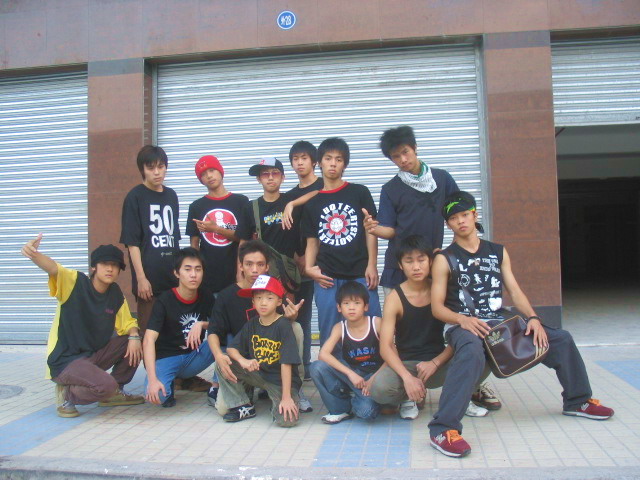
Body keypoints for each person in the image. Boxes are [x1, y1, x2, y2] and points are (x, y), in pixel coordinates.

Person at [428, 191, 615, 458]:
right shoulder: (444, 259)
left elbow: (514, 292)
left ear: (474, 215)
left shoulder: (497, 252)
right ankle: (443, 429)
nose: (461, 221)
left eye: (465, 215)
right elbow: (437, 307)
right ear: (448, 224)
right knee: (470, 352)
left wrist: (534, 319)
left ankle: (578, 401)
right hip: (463, 325)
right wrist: (462, 319)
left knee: (560, 338)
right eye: (454, 218)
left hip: (498, 320)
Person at [22, 234, 144, 418]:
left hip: (93, 356)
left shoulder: (115, 294)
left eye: (115, 265)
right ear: (94, 267)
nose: (110, 269)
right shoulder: (75, 282)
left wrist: (134, 335)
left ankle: (115, 392)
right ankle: (68, 396)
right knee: (106, 385)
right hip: (66, 360)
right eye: (105, 264)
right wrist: (34, 254)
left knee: (134, 341)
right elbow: (54, 268)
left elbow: (128, 323)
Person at [369, 235, 490, 420]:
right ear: (400, 265)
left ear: (431, 261)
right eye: (409, 261)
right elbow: (385, 346)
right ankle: (408, 397)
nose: (416, 267)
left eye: (421, 260)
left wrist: (436, 362)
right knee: (379, 389)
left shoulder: (442, 290)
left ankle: (461, 398)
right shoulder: (394, 298)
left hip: (441, 362)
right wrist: (407, 378)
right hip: (408, 364)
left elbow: (459, 332)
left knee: (486, 354)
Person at [121, 145, 210, 393]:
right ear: (142, 169)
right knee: (152, 332)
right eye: (151, 167)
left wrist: (183, 275)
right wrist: (141, 278)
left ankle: (184, 377)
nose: (157, 172)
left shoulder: (171, 196)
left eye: (161, 166)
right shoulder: (135, 197)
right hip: (149, 282)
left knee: (179, 330)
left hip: (173, 280)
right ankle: (158, 378)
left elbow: (174, 238)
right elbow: (132, 242)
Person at [235, 157, 312, 411]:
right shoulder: (252, 207)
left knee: (292, 326)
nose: (270, 178)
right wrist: (240, 275)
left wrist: (305, 266)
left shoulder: (292, 202)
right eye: (265, 174)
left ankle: (295, 388)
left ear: (283, 177)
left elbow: (318, 192)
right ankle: (262, 381)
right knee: (260, 327)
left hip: (287, 280)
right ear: (259, 179)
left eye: (275, 173)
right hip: (260, 278)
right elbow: (243, 244)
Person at [206, 240, 305, 411]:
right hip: (245, 364)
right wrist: (218, 355)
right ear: (241, 266)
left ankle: (294, 389)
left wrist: (292, 316)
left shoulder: (274, 290)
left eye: (260, 264)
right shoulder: (226, 296)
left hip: (273, 362)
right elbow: (214, 330)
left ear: (267, 267)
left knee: (295, 327)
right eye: (249, 264)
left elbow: (283, 329)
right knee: (224, 409)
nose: (254, 270)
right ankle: (244, 402)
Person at [301, 137, 382, 346]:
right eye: (328, 158)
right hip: (327, 277)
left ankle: (376, 367)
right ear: (319, 162)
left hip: (360, 272)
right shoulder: (313, 203)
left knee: (373, 327)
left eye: (339, 159)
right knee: (329, 332)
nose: (333, 164)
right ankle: (330, 367)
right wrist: (309, 268)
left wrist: (372, 264)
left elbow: (371, 231)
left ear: (345, 164)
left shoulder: (359, 192)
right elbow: (312, 241)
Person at [363, 125, 458, 296]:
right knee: (397, 313)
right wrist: (373, 228)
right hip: (398, 266)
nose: (403, 159)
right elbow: (390, 230)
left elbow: (460, 215)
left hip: (431, 264)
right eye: (396, 156)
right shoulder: (390, 189)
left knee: (436, 311)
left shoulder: (442, 179)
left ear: (415, 147)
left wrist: (451, 250)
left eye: (405, 152)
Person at [215, 275, 301, 427]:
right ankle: (242, 405)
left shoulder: (283, 325)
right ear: (253, 302)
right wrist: (243, 361)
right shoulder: (252, 324)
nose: (263, 302)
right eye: (258, 298)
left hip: (279, 381)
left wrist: (286, 397)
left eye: (269, 298)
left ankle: (280, 402)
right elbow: (231, 348)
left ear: (278, 301)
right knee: (223, 361)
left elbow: (286, 363)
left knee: (287, 421)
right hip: (258, 373)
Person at [142, 248, 214, 408]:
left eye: (198, 269)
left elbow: (221, 324)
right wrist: (153, 380)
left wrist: (202, 324)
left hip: (194, 356)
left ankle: (217, 388)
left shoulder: (206, 296)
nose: (193, 275)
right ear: (176, 273)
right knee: (158, 396)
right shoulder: (164, 301)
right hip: (166, 358)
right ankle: (171, 381)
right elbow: (148, 340)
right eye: (187, 269)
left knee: (226, 337)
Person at [310, 281, 383, 424]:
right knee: (317, 367)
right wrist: (351, 374)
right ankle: (339, 409)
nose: (351, 307)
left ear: (366, 306)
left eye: (357, 303)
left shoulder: (376, 323)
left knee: (366, 412)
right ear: (339, 307)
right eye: (346, 303)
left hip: (374, 376)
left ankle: (356, 399)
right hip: (352, 374)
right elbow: (323, 354)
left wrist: (374, 379)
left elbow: (392, 356)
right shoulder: (339, 327)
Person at [284, 141, 323, 380]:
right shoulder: (289, 195)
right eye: (295, 159)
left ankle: (332, 364)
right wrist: (295, 258)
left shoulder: (324, 185)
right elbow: (289, 231)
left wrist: (293, 203)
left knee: (331, 315)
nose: (299, 163)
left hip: (327, 262)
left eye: (304, 158)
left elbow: (318, 193)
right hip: (300, 265)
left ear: (314, 161)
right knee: (303, 317)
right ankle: (304, 366)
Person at [187, 154, 248, 295]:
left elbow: (245, 238)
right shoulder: (196, 207)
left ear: (220, 171)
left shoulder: (241, 202)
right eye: (203, 174)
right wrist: (195, 274)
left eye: (212, 170)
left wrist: (216, 229)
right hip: (208, 279)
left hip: (236, 276)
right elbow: (194, 246)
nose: (209, 176)